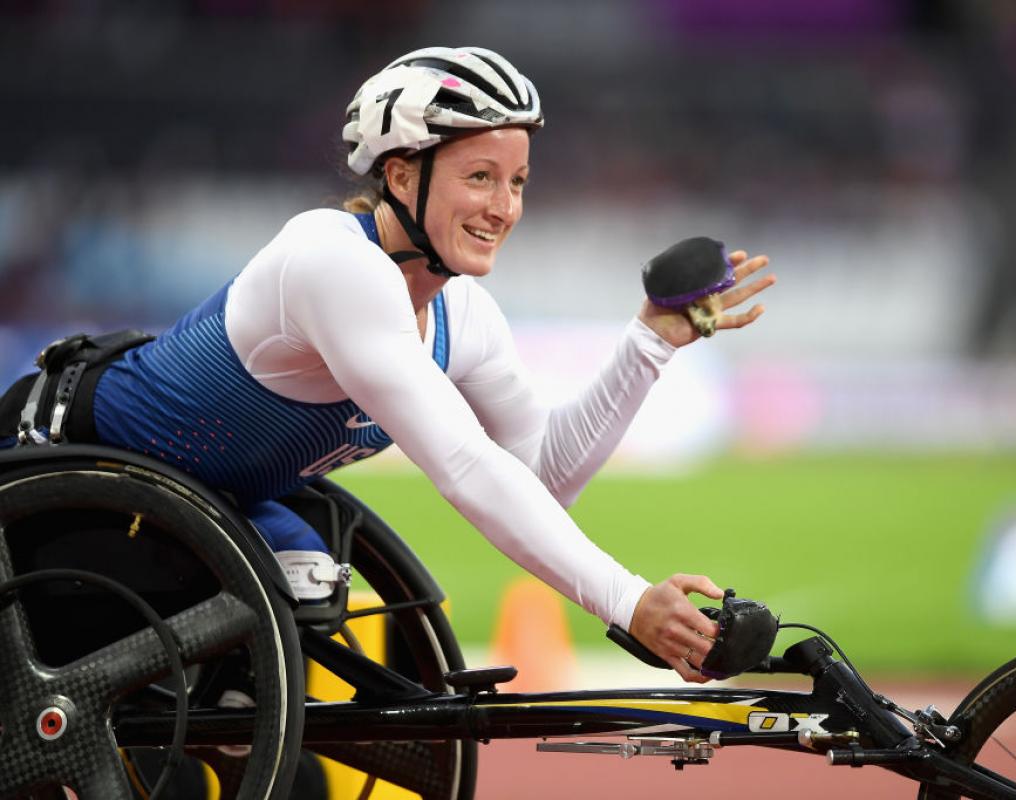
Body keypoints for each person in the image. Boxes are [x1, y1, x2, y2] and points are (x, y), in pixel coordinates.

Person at [2, 46, 774, 683]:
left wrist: (648, 345)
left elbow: (543, 479)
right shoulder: (333, 263)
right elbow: (467, 466)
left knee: (300, 607)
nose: (504, 208)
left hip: (208, 505)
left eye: (517, 182)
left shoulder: (461, 312)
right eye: (479, 177)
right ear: (401, 175)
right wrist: (630, 602)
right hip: (62, 467)